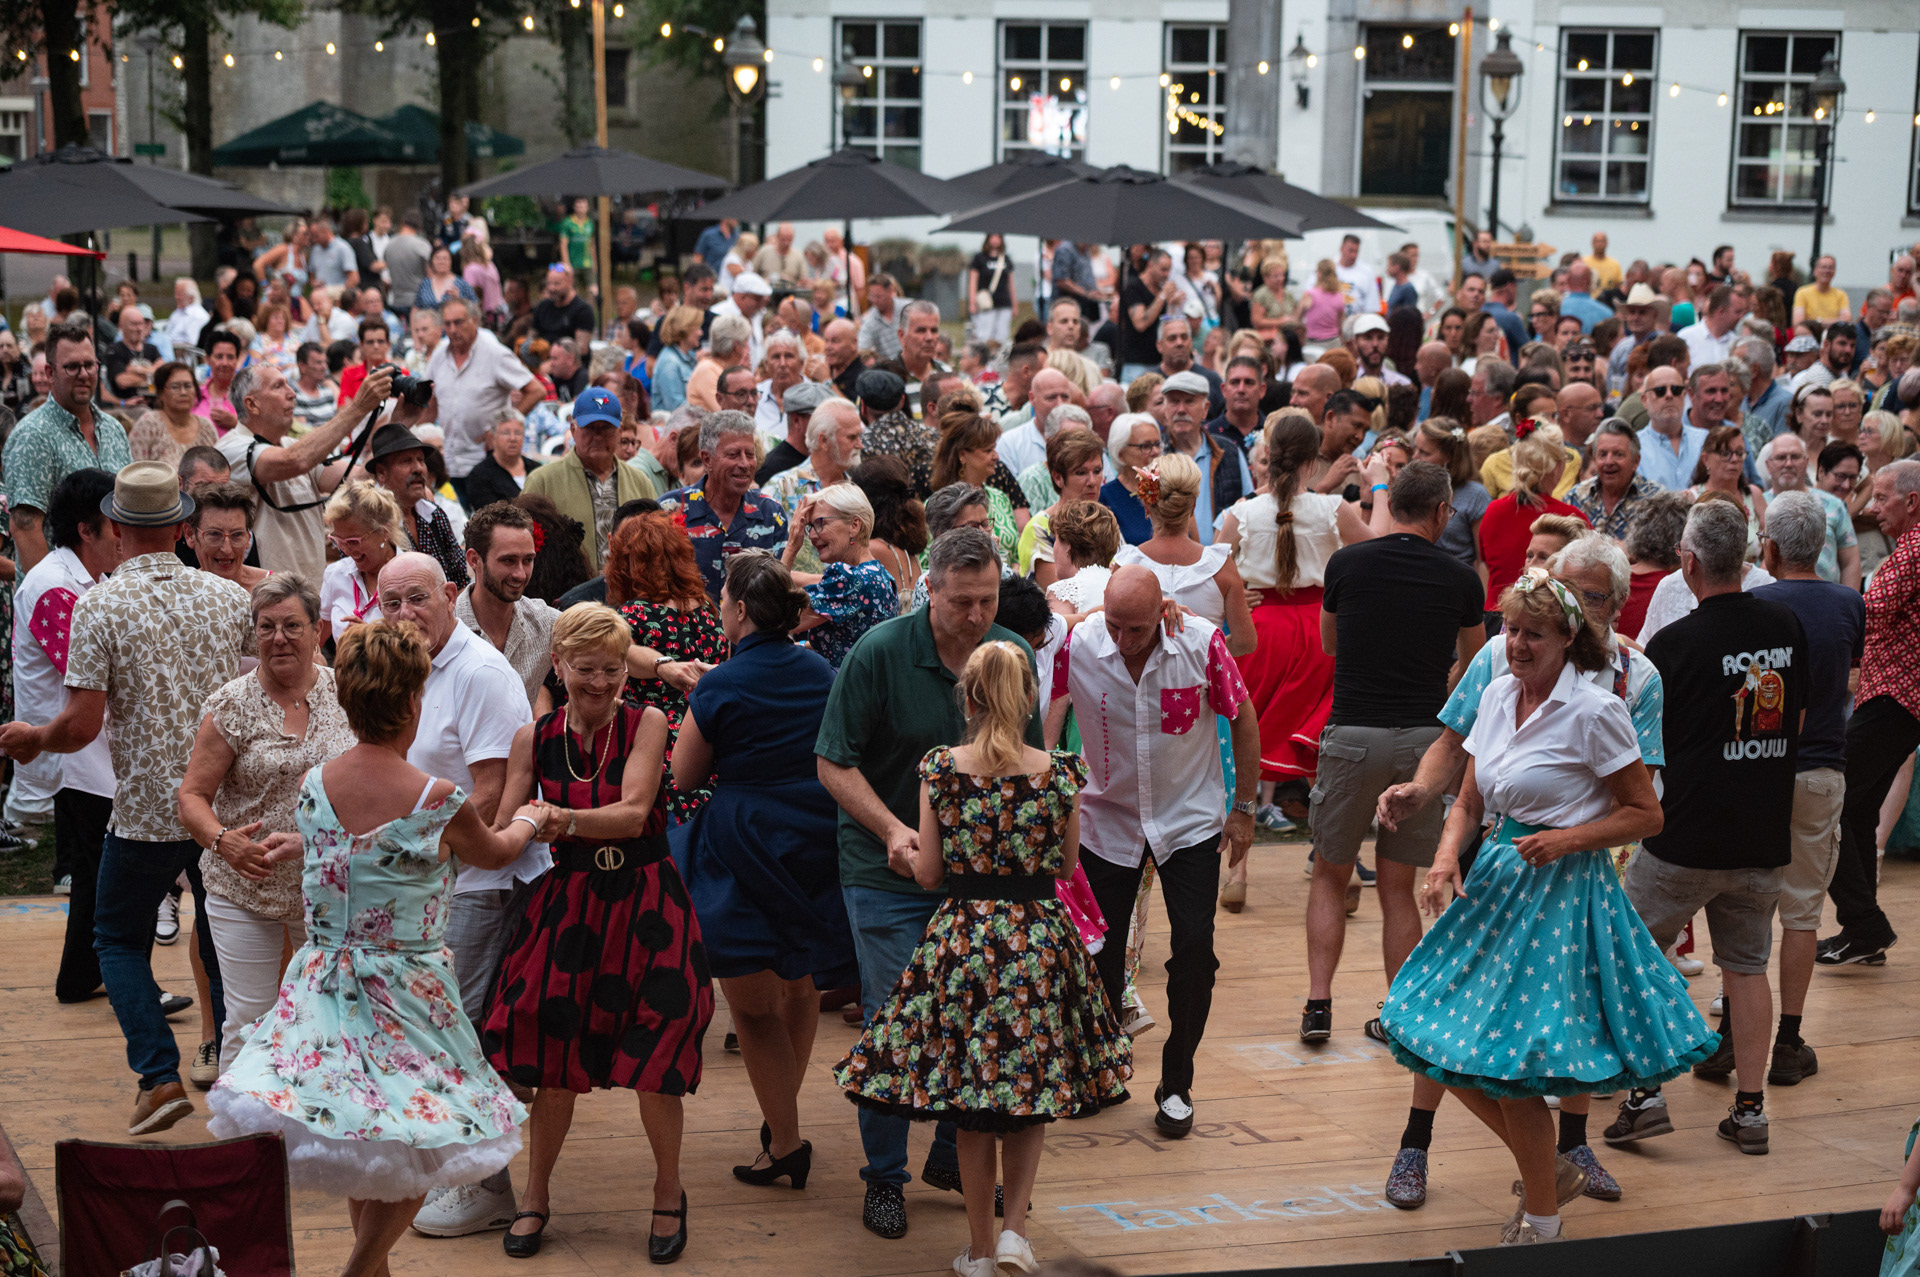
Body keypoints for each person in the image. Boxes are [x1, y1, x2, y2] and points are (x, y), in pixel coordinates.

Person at [1377, 567, 1703, 1246]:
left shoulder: (1597, 711)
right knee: (1417, 1026)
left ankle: (1542, 1223)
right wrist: (1443, 857)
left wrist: (1566, 839)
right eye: (1511, 629)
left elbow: (1647, 814)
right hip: (1498, 882)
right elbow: (1470, 800)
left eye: (1534, 633)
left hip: (1563, 894)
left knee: (1516, 1065)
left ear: (1567, 640)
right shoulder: (1498, 693)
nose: (1517, 644)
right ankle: (1547, 1168)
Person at [206, 620, 539, 1273]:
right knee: (422, 1140)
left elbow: (353, 844)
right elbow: (495, 851)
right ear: (413, 702)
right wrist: (532, 818)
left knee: (364, 1134)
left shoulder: (316, 781)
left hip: (324, 982)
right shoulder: (436, 797)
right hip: (405, 990)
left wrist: (308, 845)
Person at [841, 638, 1127, 1277]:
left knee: (972, 1103)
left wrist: (906, 855)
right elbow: (1066, 866)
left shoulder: (942, 769)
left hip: (966, 943)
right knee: (1027, 1091)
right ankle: (1015, 1235)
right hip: (1037, 942)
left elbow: (929, 874)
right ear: (1026, 699)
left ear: (967, 699)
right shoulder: (1059, 772)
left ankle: (977, 1249)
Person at [0, 462, 254, 1135]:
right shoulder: (227, 599)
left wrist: (34, 738)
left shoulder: (101, 604)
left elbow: (81, 725)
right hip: (220, 803)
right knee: (224, 938)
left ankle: (158, 1074)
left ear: (115, 525)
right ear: (182, 527)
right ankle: (238, 1073)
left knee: (115, 937)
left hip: (145, 808)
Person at [815, 527, 1040, 1238]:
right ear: (928, 591)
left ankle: (951, 1152)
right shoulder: (879, 652)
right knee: (895, 1019)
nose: (977, 617)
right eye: (962, 602)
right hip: (883, 872)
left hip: (978, 884)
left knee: (973, 1018)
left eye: (988, 600)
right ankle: (885, 1176)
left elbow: (1027, 760)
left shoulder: (1011, 653)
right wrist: (891, 829)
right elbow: (833, 761)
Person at [476, 604, 711, 1261]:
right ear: (558, 665)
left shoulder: (648, 722)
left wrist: (559, 820)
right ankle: (535, 1196)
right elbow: (505, 829)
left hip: (647, 901)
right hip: (571, 903)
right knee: (552, 1053)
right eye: (586, 669)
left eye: (612, 670)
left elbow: (635, 812)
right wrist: (447, 829)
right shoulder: (533, 738)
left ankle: (668, 1190)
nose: (601, 683)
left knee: (657, 1057)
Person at [1602, 500, 1808, 1157]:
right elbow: (1797, 721)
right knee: (1747, 969)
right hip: (1761, 832)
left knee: (1637, 957)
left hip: (1683, 836)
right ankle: (1750, 1111)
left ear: (1687, 562)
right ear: (1745, 557)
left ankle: (1645, 1096)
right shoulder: (1786, 626)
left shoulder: (1675, 644)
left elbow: (1649, 744)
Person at [1046, 563, 1256, 1142]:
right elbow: (1049, 709)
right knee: (1098, 954)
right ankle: (1099, 1071)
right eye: (1114, 625)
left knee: (1194, 950)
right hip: (1105, 820)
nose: (1123, 639)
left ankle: (1177, 1084)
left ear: (1163, 611)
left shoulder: (1200, 642)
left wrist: (1244, 808)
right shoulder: (1080, 644)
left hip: (1188, 820)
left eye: (1135, 629)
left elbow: (1243, 718)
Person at [670, 553, 856, 1192]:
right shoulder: (823, 671)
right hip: (816, 833)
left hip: (745, 840)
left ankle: (784, 1139)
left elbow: (684, 777)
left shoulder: (720, 683)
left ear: (742, 609)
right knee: (799, 985)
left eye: (724, 599)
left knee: (749, 1006)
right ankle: (782, 1123)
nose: (720, 608)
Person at [1302, 459, 1486, 1041]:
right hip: (1424, 742)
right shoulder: (1460, 579)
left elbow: (1330, 644)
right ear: (1441, 511)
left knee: (1330, 875)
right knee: (1397, 885)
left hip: (1353, 732)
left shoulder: (1347, 563)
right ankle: (1396, 1013)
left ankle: (1318, 1005)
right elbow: (1475, 664)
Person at [177, 572, 354, 1081]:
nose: (279, 638)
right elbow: (191, 796)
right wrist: (221, 841)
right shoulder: (231, 703)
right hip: (245, 885)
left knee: (330, 1015)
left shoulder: (347, 694)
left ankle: (315, 1120)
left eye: (292, 626)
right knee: (249, 1021)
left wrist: (324, 838)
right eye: (266, 627)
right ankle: (241, 1126)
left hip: (326, 882)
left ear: (317, 631)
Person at [1219, 411, 1388, 826]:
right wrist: (1380, 486)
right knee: (1319, 742)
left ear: (1270, 455)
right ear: (1313, 462)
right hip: (1320, 632)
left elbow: (1212, 573)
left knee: (1247, 740)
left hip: (1262, 632)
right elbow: (1379, 549)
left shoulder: (1242, 513)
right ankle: (1329, 846)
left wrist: (1239, 596)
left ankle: (1238, 854)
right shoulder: (1332, 508)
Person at [1749, 492, 1862, 1087]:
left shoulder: (1754, 603)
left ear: (1769, 547)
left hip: (1758, 771)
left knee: (1743, 906)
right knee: (1801, 914)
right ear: (1821, 546)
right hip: (1820, 768)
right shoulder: (1848, 603)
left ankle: (1732, 1036)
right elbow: (1848, 674)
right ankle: (1788, 1043)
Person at [13, 469, 120, 1004]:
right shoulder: (53, 587)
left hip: (85, 749)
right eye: (116, 522)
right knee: (105, 869)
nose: (125, 533)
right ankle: (118, 975)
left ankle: (83, 977)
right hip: (73, 753)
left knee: (95, 869)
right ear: (86, 529)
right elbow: (99, 671)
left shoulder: (88, 579)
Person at [1819, 460, 1920, 967]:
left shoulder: (1916, 547)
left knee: (1827, 805)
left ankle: (1864, 925)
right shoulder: (1910, 546)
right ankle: (1864, 932)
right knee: (1854, 809)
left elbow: (1867, 610)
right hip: (1895, 700)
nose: (1873, 508)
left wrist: (1814, 606)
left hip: (1893, 700)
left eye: (1881, 498)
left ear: (1912, 501)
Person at [603, 512, 728, 824]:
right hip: (710, 740)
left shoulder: (633, 613)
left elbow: (621, 653)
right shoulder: (708, 610)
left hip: (656, 747)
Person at [218, 361, 392, 585]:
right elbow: (295, 461)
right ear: (252, 404)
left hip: (311, 589)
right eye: (278, 386)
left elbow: (358, 480)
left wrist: (398, 423)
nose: (292, 393)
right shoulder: (231, 448)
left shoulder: (292, 446)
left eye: (288, 385)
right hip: (269, 594)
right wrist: (358, 407)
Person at [4, 323, 133, 572]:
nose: (83, 374)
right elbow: (24, 528)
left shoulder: (113, 429)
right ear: (50, 372)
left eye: (90, 365)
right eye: (72, 366)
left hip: (114, 585)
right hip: (61, 589)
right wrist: (55, 591)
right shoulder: (33, 435)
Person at [657, 410, 788, 600]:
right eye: (733, 455)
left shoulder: (771, 513)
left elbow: (780, 587)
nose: (745, 464)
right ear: (707, 459)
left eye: (750, 454)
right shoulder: (669, 509)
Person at [523, 388, 656, 572]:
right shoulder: (543, 481)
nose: (598, 436)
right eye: (590, 428)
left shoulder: (640, 482)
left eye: (606, 428)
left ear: (620, 432)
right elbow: (523, 544)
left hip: (629, 585)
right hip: (566, 588)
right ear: (573, 430)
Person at [428, 296, 545, 505]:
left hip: (484, 463)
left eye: (458, 322)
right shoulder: (439, 354)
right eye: (448, 324)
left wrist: (501, 427)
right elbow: (430, 403)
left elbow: (536, 390)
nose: (452, 330)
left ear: (474, 321)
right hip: (449, 462)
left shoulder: (495, 353)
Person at [1477, 429, 1591, 629]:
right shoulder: (1571, 518)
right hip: (1544, 621)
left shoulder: (1493, 511)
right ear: (1555, 467)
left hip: (1494, 617)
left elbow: (1484, 564)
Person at [780, 482, 898, 669]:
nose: (811, 535)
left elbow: (777, 618)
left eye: (821, 523)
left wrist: (792, 546)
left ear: (854, 525)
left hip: (842, 686)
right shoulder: (881, 575)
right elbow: (841, 644)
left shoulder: (849, 579)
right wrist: (799, 647)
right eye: (810, 526)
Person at [455, 502, 559, 709]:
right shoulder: (444, 626)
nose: (520, 574)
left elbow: (606, 646)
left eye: (527, 560)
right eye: (508, 561)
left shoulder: (544, 622)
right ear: (474, 560)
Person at [364, 424, 471, 589]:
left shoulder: (435, 514)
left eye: (421, 460)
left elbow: (460, 580)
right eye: (406, 461)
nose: (418, 469)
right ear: (381, 472)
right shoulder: (368, 523)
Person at [318, 480, 403, 644]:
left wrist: (372, 637)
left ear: (384, 532)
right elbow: (317, 637)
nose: (346, 550)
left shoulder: (415, 575)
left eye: (353, 541)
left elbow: (426, 647)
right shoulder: (335, 574)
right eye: (338, 541)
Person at [1412, 417, 1490, 572]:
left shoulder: (1476, 495)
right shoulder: (1413, 488)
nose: (1415, 457)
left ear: (1449, 457)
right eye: (1415, 449)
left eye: (1424, 453)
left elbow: (1483, 561)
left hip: (1456, 578)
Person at [1566, 420, 1659, 540]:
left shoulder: (1656, 501)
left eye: (1618, 454)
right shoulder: (1575, 498)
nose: (1609, 462)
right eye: (1603, 454)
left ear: (1635, 461)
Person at [128, 361, 218, 470]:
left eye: (188, 386)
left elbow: (218, 470)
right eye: (175, 387)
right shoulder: (149, 424)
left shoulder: (206, 426)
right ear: (161, 393)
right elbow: (134, 471)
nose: (183, 392)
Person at [185, 480, 270, 593]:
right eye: (214, 534)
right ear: (190, 535)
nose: (226, 550)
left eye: (237, 535)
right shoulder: (179, 595)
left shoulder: (277, 591)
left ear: (249, 538)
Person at [462, 412, 543, 510]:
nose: (512, 438)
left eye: (517, 433)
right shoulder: (480, 475)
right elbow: (488, 514)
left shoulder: (537, 469)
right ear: (494, 438)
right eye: (506, 433)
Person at [967, 233, 1016, 346]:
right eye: (993, 237)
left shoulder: (1006, 259)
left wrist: (1014, 303)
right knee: (984, 335)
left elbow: (1011, 283)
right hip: (986, 304)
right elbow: (973, 282)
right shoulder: (979, 258)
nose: (995, 240)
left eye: (998, 237)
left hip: (1003, 302)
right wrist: (972, 302)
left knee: (1002, 337)